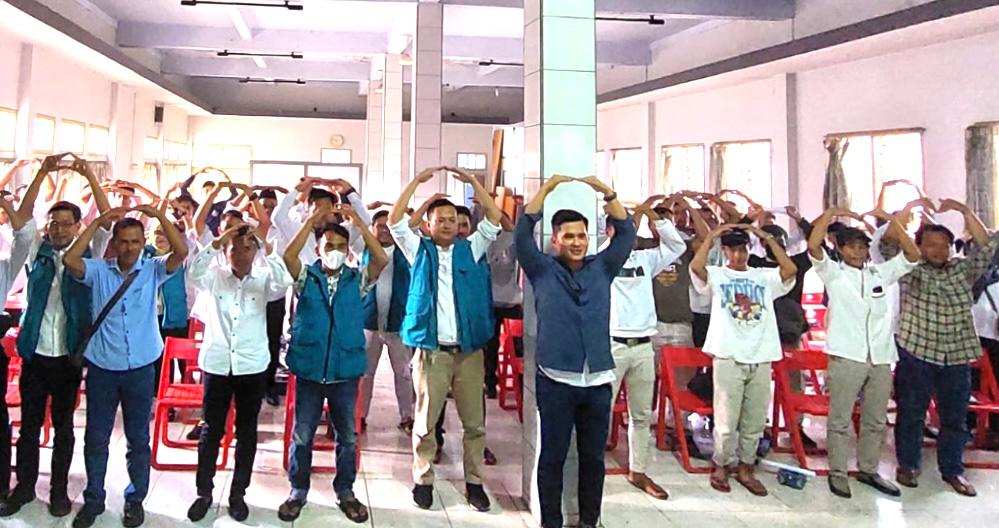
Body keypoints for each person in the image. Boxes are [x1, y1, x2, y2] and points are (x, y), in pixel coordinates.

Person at [516, 174, 634, 528]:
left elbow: (626, 233)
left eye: (582, 236)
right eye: (569, 236)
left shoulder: (603, 268)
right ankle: (550, 522)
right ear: (555, 240)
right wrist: (547, 189)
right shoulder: (541, 269)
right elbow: (522, 231)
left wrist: (608, 193)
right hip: (555, 380)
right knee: (552, 458)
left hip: (597, 381)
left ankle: (589, 521)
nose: (577, 242)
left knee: (593, 460)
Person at [64, 204, 188, 528]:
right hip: (103, 369)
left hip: (141, 369)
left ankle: (135, 500)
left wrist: (160, 217)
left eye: (136, 241)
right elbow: (70, 260)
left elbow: (181, 251)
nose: (130, 248)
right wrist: (96, 224)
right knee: (97, 438)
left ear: (143, 242)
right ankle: (94, 499)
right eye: (124, 241)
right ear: (115, 243)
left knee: (138, 439)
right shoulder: (98, 271)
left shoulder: (153, 269)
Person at [1, 155, 111, 518]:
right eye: (54, 224)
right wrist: (42, 172)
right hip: (36, 353)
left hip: (68, 356)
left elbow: (106, 218)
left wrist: (90, 174)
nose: (59, 230)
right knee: (29, 428)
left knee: (64, 429)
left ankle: (60, 491)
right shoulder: (37, 250)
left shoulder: (91, 253)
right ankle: (24, 488)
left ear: (78, 227)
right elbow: (23, 219)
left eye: (67, 224)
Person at [388, 166, 502, 512]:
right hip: (432, 352)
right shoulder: (418, 250)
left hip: (468, 353)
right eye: (441, 220)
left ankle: (474, 483)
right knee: (425, 423)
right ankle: (423, 479)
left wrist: (474, 183)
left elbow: (494, 218)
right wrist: (418, 184)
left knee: (474, 424)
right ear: (428, 225)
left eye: (453, 219)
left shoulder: (472, 249)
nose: (449, 225)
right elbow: (395, 221)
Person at [278, 205, 386, 524]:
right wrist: (311, 222)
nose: (335, 251)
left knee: (347, 436)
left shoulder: (357, 279)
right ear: (318, 250)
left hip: (345, 371)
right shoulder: (306, 278)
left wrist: (361, 225)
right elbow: (288, 256)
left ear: (348, 249)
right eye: (329, 246)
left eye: (341, 246)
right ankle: (298, 490)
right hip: (310, 369)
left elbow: (380, 259)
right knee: (303, 434)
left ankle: (345, 491)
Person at [807, 208, 920, 498]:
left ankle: (868, 469)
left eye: (862, 247)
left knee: (876, 419)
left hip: (880, 357)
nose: (857, 252)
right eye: (851, 247)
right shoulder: (833, 273)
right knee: (840, 419)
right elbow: (813, 245)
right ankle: (838, 472)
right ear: (840, 249)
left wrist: (892, 221)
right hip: (847, 355)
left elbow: (912, 255)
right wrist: (830, 214)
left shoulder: (878, 273)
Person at [184, 222, 292, 522]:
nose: (241, 254)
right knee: (211, 430)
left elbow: (285, 281)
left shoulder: (264, 279)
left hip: (251, 366)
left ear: (255, 251)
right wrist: (218, 241)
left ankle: (237, 494)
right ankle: (204, 492)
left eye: (247, 248)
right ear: (226, 252)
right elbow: (193, 272)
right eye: (235, 249)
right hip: (217, 365)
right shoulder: (214, 277)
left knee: (247, 432)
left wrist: (267, 248)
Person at [893, 199, 998, 497]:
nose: (938, 251)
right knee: (912, 413)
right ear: (919, 247)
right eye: (931, 245)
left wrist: (966, 211)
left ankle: (953, 470)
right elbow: (889, 242)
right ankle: (908, 465)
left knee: (955, 418)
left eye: (944, 245)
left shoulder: (962, 270)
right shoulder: (910, 269)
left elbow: (987, 247)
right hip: (917, 352)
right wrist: (910, 206)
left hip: (956, 354)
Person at [690, 224, 796, 496]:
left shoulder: (763, 276)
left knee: (755, 420)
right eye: (732, 250)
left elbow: (789, 270)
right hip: (728, 355)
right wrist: (711, 236)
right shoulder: (718, 275)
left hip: (761, 356)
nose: (738, 255)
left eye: (742, 249)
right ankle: (721, 464)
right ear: (725, 251)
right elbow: (697, 267)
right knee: (726, 420)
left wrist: (766, 238)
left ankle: (747, 466)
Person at [606, 195, 686, 499]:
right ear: (611, 232)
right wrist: (628, 218)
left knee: (641, 415)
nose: (630, 236)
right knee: (600, 411)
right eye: (623, 230)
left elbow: (676, 246)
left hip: (642, 346)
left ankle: (637, 471)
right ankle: (589, 469)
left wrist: (654, 215)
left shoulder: (645, 259)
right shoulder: (602, 258)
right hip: (612, 345)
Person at [358, 210, 415, 434]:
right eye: (380, 226)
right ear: (372, 229)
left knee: (403, 373)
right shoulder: (362, 249)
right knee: (365, 373)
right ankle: (360, 416)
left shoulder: (406, 250)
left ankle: (407, 417)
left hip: (398, 323)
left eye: (388, 226)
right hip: (368, 321)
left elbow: (413, 227)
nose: (385, 231)